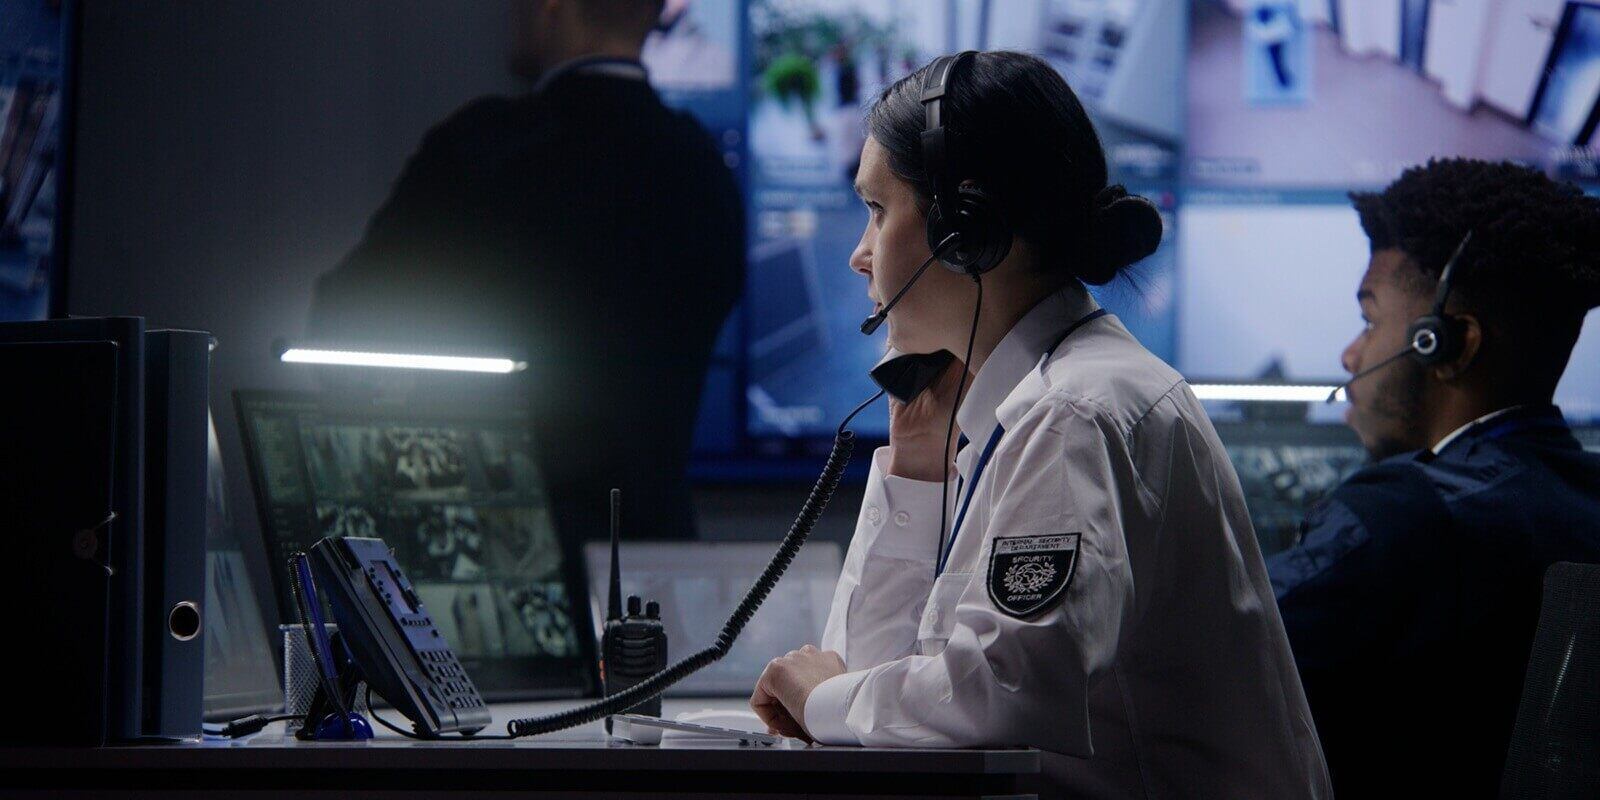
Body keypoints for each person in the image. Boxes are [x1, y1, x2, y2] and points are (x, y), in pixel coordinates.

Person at [749, 51, 1331, 799]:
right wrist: (920, 476)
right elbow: (881, 700)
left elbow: (1006, 692)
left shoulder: (1073, 413)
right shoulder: (1023, 405)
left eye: (875, 210)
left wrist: (822, 699)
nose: (861, 255)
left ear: (966, 231)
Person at [307, 0, 744, 541]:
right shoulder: (705, 172)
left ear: (550, 8)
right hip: (657, 561)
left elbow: (340, 324)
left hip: (506, 554)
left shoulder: (488, 147)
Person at [1267, 159, 1600, 797]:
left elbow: (1208, 654)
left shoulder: (1400, 515)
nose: (1351, 355)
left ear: (1447, 343)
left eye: (1370, 321)